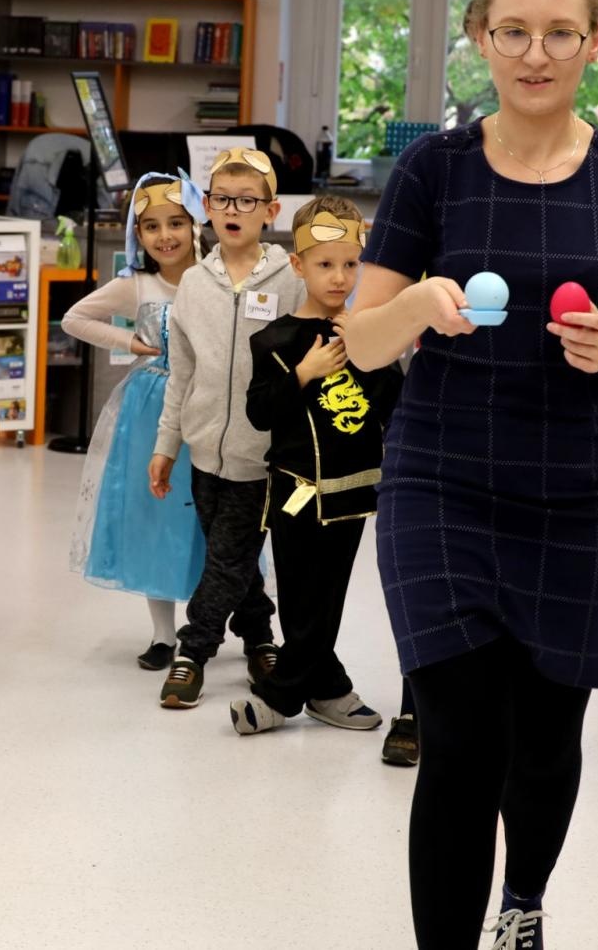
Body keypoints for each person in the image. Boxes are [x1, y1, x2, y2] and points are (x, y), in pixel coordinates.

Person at [340, 0, 598, 949]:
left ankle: (523, 902)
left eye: (556, 34)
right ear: (478, 36)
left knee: (545, 735)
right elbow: (362, 341)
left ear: (594, 41)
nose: (533, 54)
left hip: (581, 494)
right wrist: (416, 307)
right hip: (440, 483)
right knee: (456, 737)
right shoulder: (432, 172)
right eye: (510, 31)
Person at [228, 198, 401, 735]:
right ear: (299, 266)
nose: (340, 277)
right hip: (294, 491)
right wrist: (302, 374)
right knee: (302, 598)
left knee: (328, 596)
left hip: (352, 492)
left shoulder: (365, 333)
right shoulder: (274, 340)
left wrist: (369, 344)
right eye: (326, 264)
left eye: (351, 265)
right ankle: (291, 694)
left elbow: (391, 405)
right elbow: (260, 413)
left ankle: (322, 688)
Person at [150, 147, 305, 709]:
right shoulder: (194, 282)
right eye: (221, 200)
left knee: (227, 557)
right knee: (231, 555)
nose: (232, 210)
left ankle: (194, 649)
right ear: (207, 207)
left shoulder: (292, 278)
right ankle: (261, 636)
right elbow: (181, 372)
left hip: (262, 452)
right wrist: (167, 444)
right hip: (203, 449)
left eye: (247, 200)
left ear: (272, 210)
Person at [65, 173, 210, 670]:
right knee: (158, 520)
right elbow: (75, 319)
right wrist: (130, 343)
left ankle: (213, 624)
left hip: (209, 408)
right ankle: (164, 634)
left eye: (176, 222)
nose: (164, 235)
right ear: (138, 234)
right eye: (151, 226)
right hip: (152, 410)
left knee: (207, 518)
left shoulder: (214, 276)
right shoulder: (138, 285)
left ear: (196, 224)